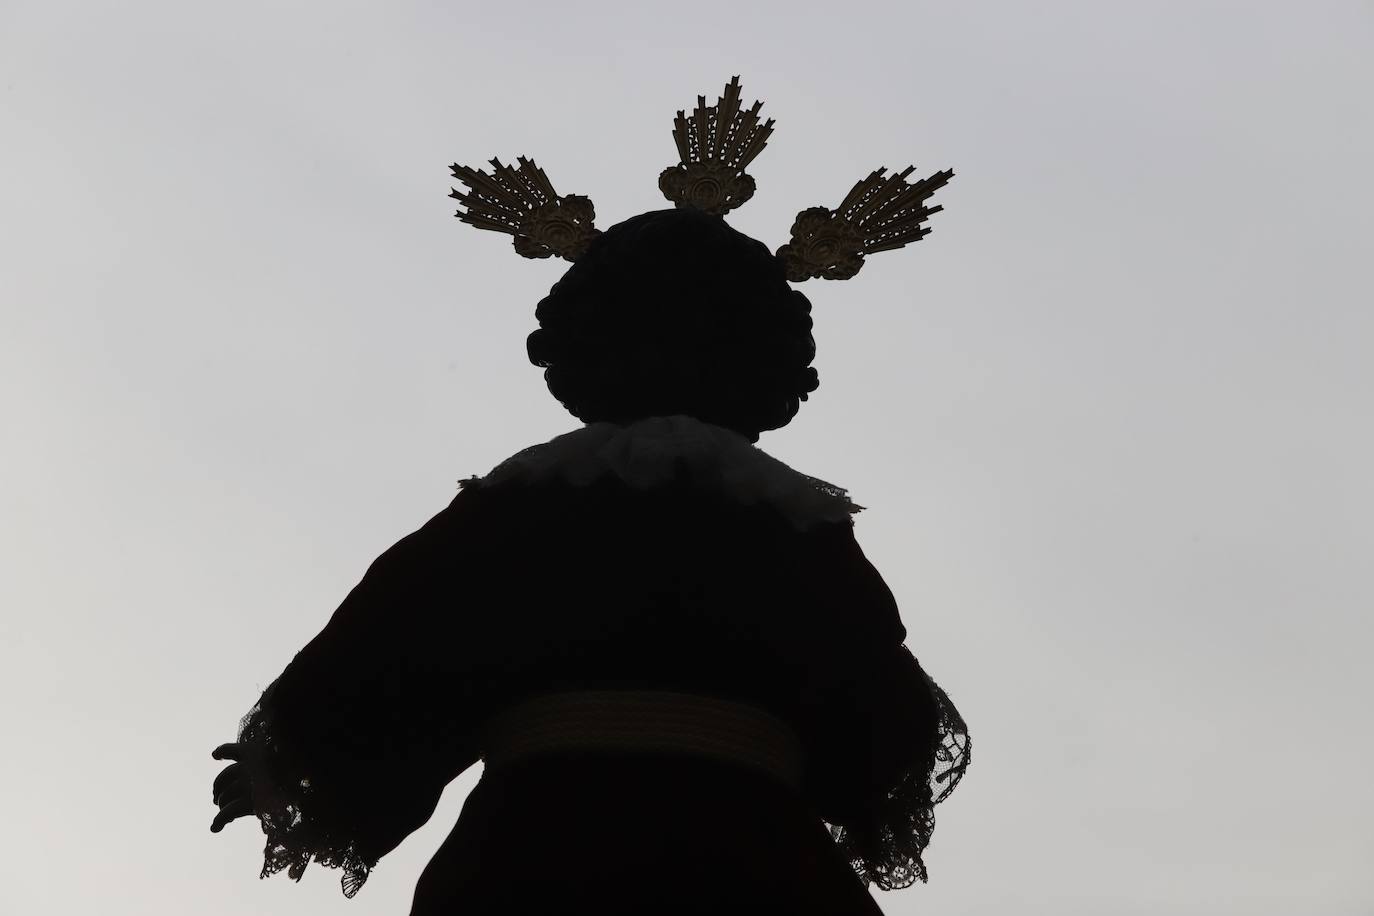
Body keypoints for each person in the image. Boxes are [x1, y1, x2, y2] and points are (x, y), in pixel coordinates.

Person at [210, 79, 969, 915]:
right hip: (756, 857)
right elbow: (883, 715)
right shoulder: (796, 522)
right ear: (771, 364)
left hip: (539, 848)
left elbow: (401, 632)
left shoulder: (526, 501)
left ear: (580, 344)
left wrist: (296, 763)